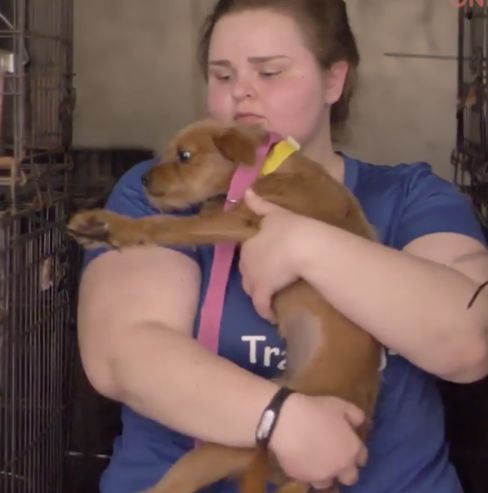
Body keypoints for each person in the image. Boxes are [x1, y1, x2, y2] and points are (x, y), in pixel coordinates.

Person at [77, 0, 488, 491]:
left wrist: (306, 243)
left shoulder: (411, 197)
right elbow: (122, 354)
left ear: (333, 81)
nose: (242, 92)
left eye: (269, 72)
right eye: (222, 75)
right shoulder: (166, 191)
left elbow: (470, 339)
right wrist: (281, 420)